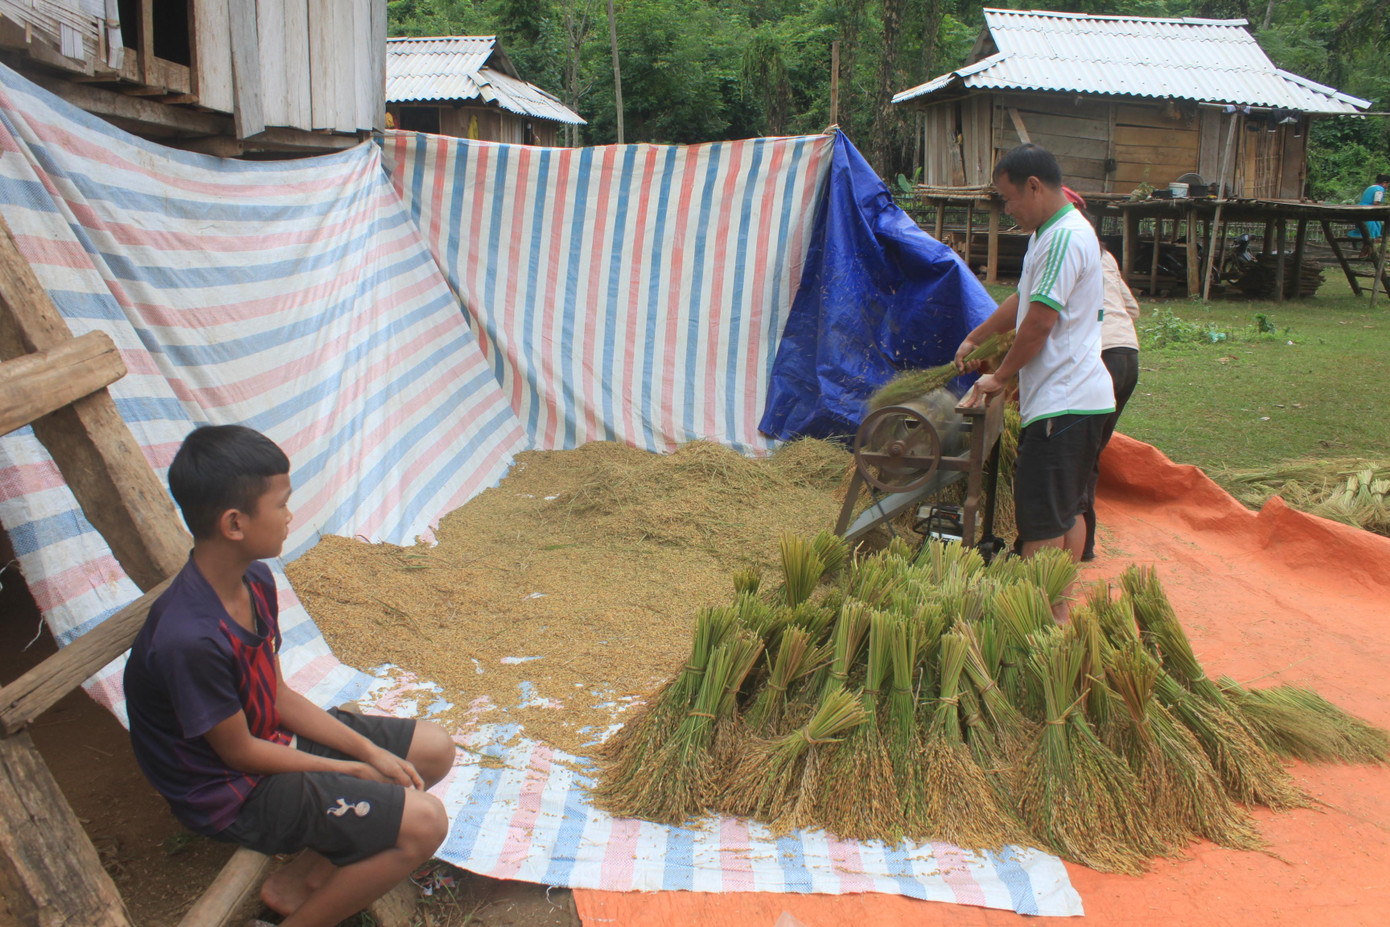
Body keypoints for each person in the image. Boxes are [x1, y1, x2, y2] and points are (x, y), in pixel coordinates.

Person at [124, 425, 456, 927]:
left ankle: (296, 883)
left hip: (269, 741)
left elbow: (275, 694)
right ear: (235, 523)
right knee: (425, 823)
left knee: (433, 749)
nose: (289, 516)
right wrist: (349, 771)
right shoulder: (189, 638)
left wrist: (369, 753)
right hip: (231, 789)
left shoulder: (254, 579)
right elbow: (238, 753)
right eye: (281, 504)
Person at [955, 144, 1113, 622]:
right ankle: (1058, 612)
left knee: (1042, 523)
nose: (1008, 211)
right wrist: (976, 337)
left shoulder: (1065, 238)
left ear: (1035, 186)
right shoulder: (1050, 236)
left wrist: (999, 378)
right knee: (1068, 512)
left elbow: (1039, 323)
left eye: (1009, 200)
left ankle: (1042, 622)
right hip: (1084, 402)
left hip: (1064, 406)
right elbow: (1022, 301)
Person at [1057, 187, 1142, 561]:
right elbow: (1132, 309)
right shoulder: (1105, 254)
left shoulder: (1064, 246)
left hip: (1099, 357)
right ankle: (1085, 544)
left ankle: (1074, 545)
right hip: (1127, 356)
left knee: (1077, 452)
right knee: (1091, 453)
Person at [1349, 173, 1387, 259]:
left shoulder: (1370, 187)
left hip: (1360, 210)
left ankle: (1366, 254)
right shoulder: (1379, 189)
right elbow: (1376, 202)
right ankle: (1366, 255)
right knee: (1371, 235)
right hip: (1369, 213)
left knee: (1365, 233)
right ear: (1384, 183)